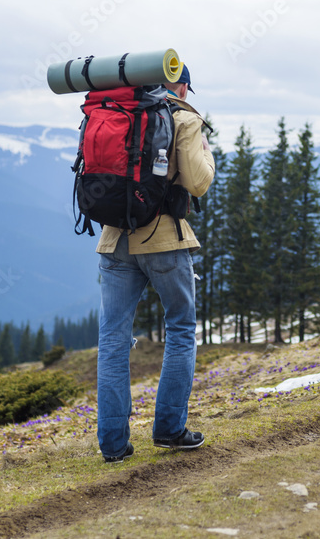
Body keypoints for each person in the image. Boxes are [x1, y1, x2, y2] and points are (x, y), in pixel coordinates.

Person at [95, 65, 215, 463]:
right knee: (180, 328)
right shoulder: (182, 116)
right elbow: (197, 182)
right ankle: (168, 430)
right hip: (163, 238)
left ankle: (113, 444)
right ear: (181, 85)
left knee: (113, 338)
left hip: (115, 238)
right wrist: (207, 156)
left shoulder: (122, 109)